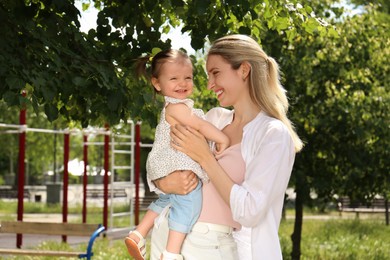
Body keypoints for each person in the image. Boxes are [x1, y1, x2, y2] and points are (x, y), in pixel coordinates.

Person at [150, 34, 303, 260]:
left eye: (216, 73)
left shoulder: (272, 134)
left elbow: (250, 211)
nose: (210, 85)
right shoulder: (214, 119)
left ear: (243, 70)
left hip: (214, 248)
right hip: (169, 234)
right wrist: (163, 182)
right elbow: (164, 155)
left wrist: (205, 158)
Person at [124, 49, 230, 260]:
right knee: (189, 203)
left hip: (165, 164)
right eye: (174, 78)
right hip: (175, 164)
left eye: (188, 78)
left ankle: (138, 233)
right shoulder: (177, 108)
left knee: (167, 200)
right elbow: (199, 125)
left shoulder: (174, 107)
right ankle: (171, 253)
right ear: (157, 83)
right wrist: (222, 138)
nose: (182, 83)